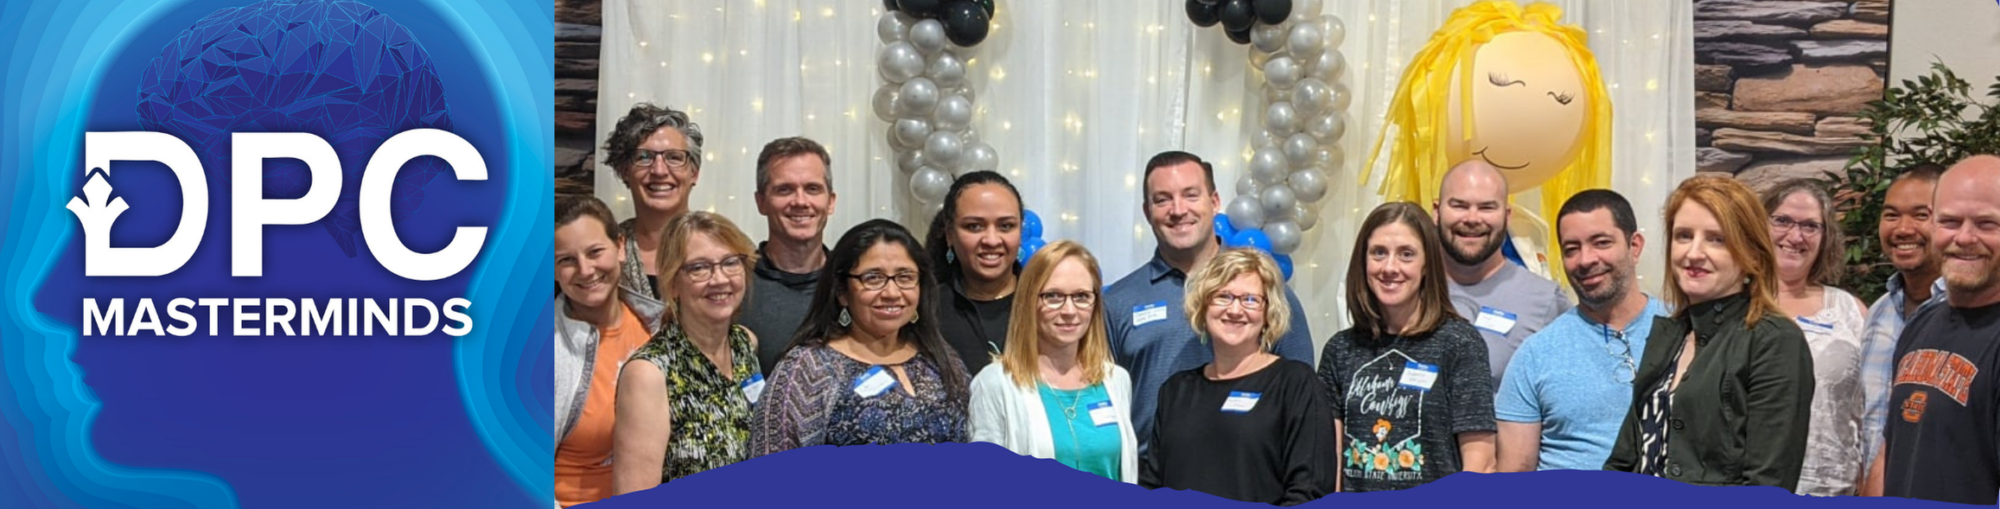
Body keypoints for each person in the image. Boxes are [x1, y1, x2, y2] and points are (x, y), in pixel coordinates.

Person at [1605, 175, 1813, 491]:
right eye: (1684, 236)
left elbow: (1768, 487)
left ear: (1752, 255)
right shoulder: (1670, 335)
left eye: (1716, 239)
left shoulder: (1774, 340)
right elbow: (1623, 461)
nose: (1693, 253)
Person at [1104, 151, 1315, 455]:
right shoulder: (1118, 302)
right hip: (1148, 475)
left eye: (1191, 195)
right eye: (1162, 200)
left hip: (1249, 471)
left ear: (1214, 201)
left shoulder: (1266, 290)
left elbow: (1303, 402)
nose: (1178, 210)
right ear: (1147, 212)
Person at [749, 219, 970, 454]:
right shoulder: (808, 369)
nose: (892, 292)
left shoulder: (939, 356)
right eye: (873, 278)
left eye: (905, 277)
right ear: (842, 291)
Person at [1320, 202, 1497, 491]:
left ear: (1427, 265)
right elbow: (1331, 463)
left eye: (1406, 254)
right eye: (1379, 252)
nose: (1390, 267)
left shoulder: (1460, 343)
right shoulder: (1340, 350)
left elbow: (1482, 464)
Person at [1142, 248, 1337, 504]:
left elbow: (1310, 491)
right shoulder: (1176, 390)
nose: (1235, 310)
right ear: (1203, 305)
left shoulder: (1295, 385)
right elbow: (1152, 485)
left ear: (1268, 312)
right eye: (1223, 296)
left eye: (1250, 300)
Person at [1496, 190, 1668, 472]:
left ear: (1634, 246)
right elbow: (1514, 476)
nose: (1585, 259)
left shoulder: (1686, 332)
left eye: (1601, 243)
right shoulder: (1535, 355)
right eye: (1571, 249)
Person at [1867, 155, 2000, 504]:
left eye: (1987, 224)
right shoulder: (1921, 324)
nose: (1964, 237)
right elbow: (1892, 448)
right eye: (1950, 222)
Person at [610, 212, 762, 491]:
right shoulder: (648, 375)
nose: (719, 279)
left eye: (730, 262)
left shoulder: (744, 344)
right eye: (699, 268)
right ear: (673, 283)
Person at [969, 241, 1139, 482]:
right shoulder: (995, 384)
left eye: (1081, 296)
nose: (1069, 310)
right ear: (1029, 301)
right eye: (1053, 296)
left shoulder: (1115, 379)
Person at [553, 191, 666, 507]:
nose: (585, 270)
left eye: (595, 252)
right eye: (566, 260)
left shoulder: (657, 326)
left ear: (620, 247)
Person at [1760, 179, 1869, 496]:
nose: (1795, 236)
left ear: (1825, 237)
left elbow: (1873, 414)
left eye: (1810, 226)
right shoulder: (1732, 304)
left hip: (1834, 491)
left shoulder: (1849, 311)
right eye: (1782, 221)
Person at [1434, 160, 1573, 383]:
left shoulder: (1545, 300)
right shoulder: (1406, 290)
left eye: (1487, 207)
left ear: (1507, 216)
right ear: (1436, 211)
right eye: (1459, 205)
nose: (1472, 219)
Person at [1857, 164, 1946, 482]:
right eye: (1891, 215)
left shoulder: (1976, 316)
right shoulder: (1878, 313)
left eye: (1921, 215)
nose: (1903, 229)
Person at [745, 137, 838, 375]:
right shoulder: (733, 284)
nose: (800, 202)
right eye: (784, 189)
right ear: (761, 202)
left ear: (830, 202)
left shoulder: (853, 283)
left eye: (812, 189)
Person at [602, 103, 705, 297]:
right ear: (624, 171)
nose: (659, 170)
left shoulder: (723, 247)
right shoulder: (604, 253)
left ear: (694, 173)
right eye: (644, 157)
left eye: (674, 157)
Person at [926, 171, 1024, 375]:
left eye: (1006, 226)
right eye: (974, 226)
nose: (991, 240)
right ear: (950, 234)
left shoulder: (1049, 303)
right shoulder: (927, 309)